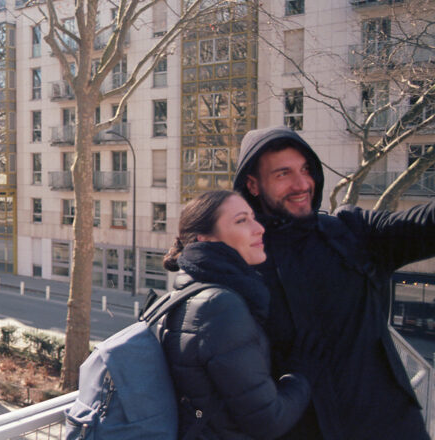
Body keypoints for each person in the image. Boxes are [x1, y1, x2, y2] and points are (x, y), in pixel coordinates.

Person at [233, 126, 434, 439]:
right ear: (252, 184)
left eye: (306, 169)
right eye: (283, 173)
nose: (302, 184)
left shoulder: (352, 231)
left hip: (391, 427)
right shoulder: (241, 259)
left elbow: (424, 224)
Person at [161, 190, 318, 439]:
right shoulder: (220, 307)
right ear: (205, 239)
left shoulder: (187, 294)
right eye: (241, 220)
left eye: (253, 218)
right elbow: (269, 421)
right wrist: (303, 372)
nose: (259, 228)